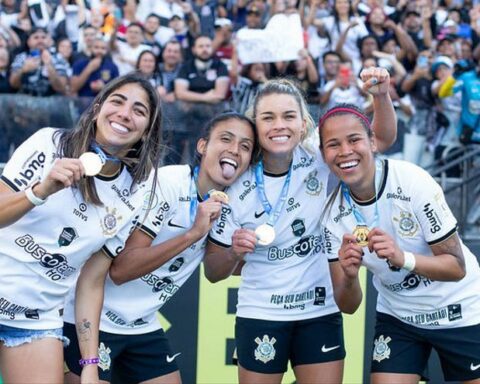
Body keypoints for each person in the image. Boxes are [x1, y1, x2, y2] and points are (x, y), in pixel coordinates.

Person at [204, 69, 396, 384]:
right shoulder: (235, 181)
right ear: (255, 125)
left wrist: (381, 96)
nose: (279, 125)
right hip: (261, 313)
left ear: (303, 124)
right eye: (268, 118)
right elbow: (213, 272)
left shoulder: (318, 155)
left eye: (288, 116)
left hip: (319, 311)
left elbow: (382, 139)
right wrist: (233, 253)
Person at [64, 112, 257, 384]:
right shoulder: (167, 183)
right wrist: (193, 234)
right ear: (202, 146)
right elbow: (121, 270)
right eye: (226, 139)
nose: (235, 150)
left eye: (245, 146)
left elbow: (214, 273)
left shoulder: (231, 203)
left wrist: (234, 253)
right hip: (93, 318)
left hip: (142, 324)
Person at [0, 72, 163, 383]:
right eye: (118, 101)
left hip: (35, 320)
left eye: (139, 110)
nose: (125, 114)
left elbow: (91, 280)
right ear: (98, 107)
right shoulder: (49, 143)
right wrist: (40, 191)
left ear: (146, 130)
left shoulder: (137, 193)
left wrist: (90, 360)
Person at [318, 104, 480, 384]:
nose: (345, 151)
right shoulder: (332, 215)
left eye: (354, 140)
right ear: (323, 154)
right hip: (399, 317)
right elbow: (348, 305)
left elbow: (456, 267)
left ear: (372, 141)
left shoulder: (411, 181)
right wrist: (348, 274)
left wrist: (402, 257)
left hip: (459, 309)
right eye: (333, 145)